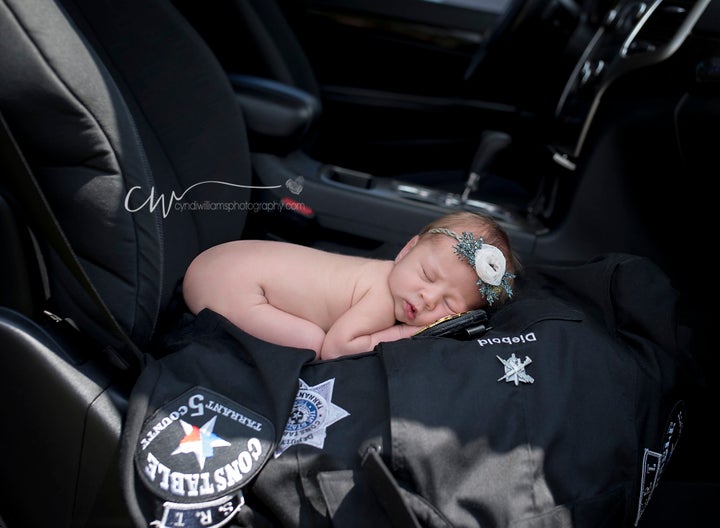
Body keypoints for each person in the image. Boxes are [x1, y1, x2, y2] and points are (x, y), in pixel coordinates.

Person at [182, 211, 520, 360]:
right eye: (427, 277)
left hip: (223, 259)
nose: (428, 299)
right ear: (406, 250)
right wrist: (404, 335)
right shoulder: (380, 300)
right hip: (227, 284)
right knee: (314, 343)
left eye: (449, 305)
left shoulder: (387, 273)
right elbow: (338, 349)